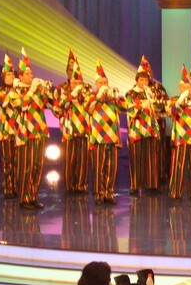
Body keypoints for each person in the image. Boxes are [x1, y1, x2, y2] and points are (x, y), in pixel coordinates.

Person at [13, 49, 51, 210]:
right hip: (25, 134)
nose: (31, 76)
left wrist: (45, 90)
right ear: (20, 76)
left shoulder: (36, 91)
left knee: (37, 166)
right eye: (27, 74)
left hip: (39, 132)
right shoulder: (15, 91)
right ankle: (24, 198)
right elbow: (21, 105)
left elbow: (51, 105)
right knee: (25, 167)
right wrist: (31, 90)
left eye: (31, 73)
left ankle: (33, 196)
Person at [87, 60, 126, 205]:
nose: (103, 85)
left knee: (111, 168)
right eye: (100, 83)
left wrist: (115, 97)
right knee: (99, 168)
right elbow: (87, 108)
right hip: (98, 137)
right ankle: (99, 194)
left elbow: (124, 108)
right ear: (96, 84)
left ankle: (109, 193)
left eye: (105, 82)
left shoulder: (113, 97)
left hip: (113, 137)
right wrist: (98, 97)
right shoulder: (91, 96)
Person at [53, 51, 91, 194]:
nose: (71, 72)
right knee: (69, 158)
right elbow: (58, 107)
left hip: (84, 128)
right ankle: (69, 186)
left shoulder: (86, 88)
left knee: (83, 159)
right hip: (68, 128)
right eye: (69, 69)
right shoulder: (61, 88)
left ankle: (81, 185)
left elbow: (90, 105)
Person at [168, 57, 191, 200]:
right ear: (179, 89)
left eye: (188, 88)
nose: (186, 90)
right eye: (183, 88)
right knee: (179, 166)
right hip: (180, 138)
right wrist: (180, 100)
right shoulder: (174, 100)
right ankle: (175, 193)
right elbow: (171, 112)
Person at [125, 59, 161, 195]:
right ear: (137, 80)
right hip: (137, 128)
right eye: (141, 80)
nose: (144, 82)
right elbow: (130, 110)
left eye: (146, 80)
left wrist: (153, 101)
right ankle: (135, 185)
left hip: (150, 128)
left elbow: (160, 108)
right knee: (136, 157)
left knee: (151, 157)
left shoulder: (151, 92)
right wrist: (140, 106)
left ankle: (152, 185)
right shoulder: (130, 93)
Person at [0, 54, 19, 199]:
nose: (11, 77)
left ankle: (17, 188)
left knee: (18, 162)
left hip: (18, 130)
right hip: (5, 130)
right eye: (8, 75)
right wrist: (14, 91)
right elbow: (3, 103)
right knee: (7, 161)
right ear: (3, 77)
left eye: (12, 74)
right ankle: (8, 189)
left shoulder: (18, 90)